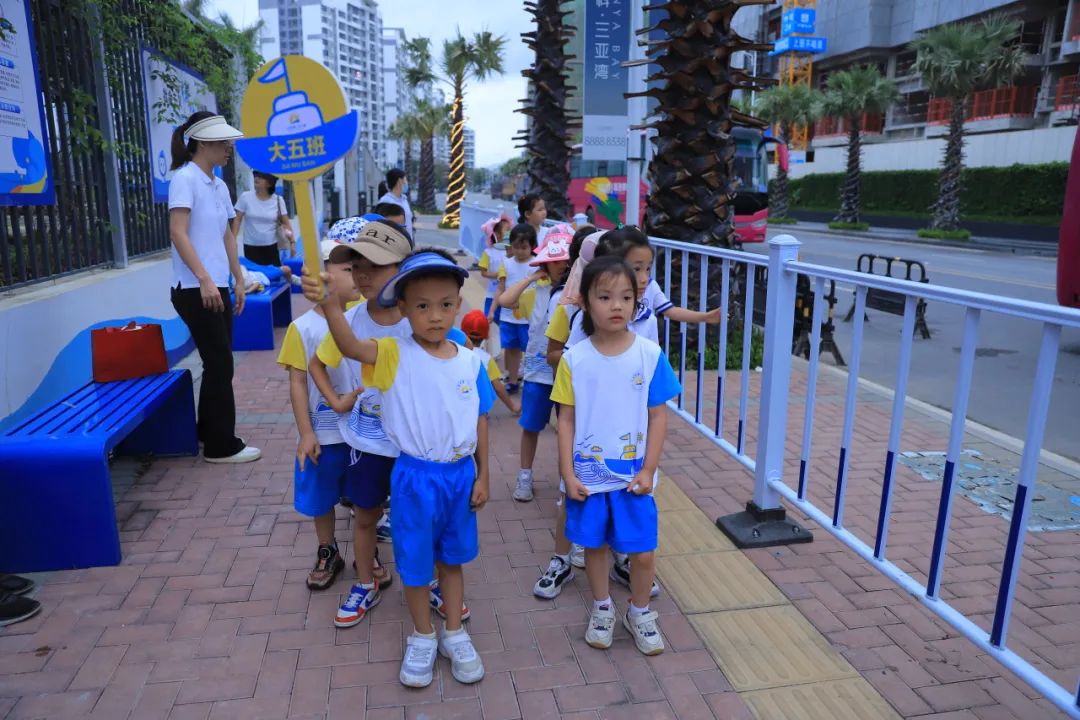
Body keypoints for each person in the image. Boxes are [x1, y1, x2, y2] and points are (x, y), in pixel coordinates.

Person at [304, 248, 493, 689]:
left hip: (459, 475)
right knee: (414, 561)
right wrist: (332, 305)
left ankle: (454, 632)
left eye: (446, 304)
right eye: (422, 306)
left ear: (459, 306)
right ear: (403, 308)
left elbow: (480, 418)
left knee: (452, 558)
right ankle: (423, 636)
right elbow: (350, 346)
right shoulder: (392, 354)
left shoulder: (469, 359)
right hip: (414, 476)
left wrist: (484, 475)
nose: (435, 316)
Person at [550, 255, 681, 656]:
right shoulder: (574, 358)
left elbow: (658, 417)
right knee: (594, 548)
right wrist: (568, 475)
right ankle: (602, 607)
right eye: (605, 296)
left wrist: (649, 468)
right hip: (589, 478)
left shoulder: (649, 355)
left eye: (626, 296)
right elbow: (566, 421)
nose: (617, 305)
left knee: (642, 550)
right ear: (586, 302)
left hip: (634, 480)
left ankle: (639, 612)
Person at [308, 220, 413, 626]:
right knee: (365, 515)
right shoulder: (349, 319)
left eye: (376, 265)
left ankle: (434, 582)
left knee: (417, 518)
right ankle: (365, 580)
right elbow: (318, 362)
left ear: (404, 269)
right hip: (366, 442)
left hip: (412, 446)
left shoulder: (419, 318)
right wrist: (336, 401)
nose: (363, 275)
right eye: (355, 267)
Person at [168, 111, 260, 464]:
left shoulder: (218, 185)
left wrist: (238, 278)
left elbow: (225, 234)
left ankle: (209, 432)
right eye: (224, 142)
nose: (228, 149)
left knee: (219, 363)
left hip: (216, 285)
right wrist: (206, 279)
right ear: (203, 143)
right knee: (220, 362)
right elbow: (178, 232)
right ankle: (222, 446)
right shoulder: (185, 179)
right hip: (194, 288)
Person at [277, 239, 363, 592]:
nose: (358, 275)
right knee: (322, 495)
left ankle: (366, 551)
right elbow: (298, 382)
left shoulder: (364, 315)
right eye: (348, 269)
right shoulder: (303, 328)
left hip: (363, 431)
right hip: (323, 432)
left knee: (364, 492)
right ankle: (328, 550)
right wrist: (305, 433)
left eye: (360, 268)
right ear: (321, 275)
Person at [496, 226, 573, 503]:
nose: (563, 264)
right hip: (538, 373)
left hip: (566, 373)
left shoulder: (576, 294)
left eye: (567, 259)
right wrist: (531, 277)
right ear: (545, 262)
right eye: (556, 259)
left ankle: (567, 482)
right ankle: (524, 475)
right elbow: (505, 300)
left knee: (569, 430)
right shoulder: (534, 293)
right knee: (531, 426)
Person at [495, 223, 538, 394]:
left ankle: (528, 380)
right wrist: (495, 308)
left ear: (532, 246)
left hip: (528, 317)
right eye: (516, 247)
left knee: (529, 350)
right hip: (508, 316)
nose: (520, 251)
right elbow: (501, 287)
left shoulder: (536, 264)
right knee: (511, 349)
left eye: (524, 247)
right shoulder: (506, 263)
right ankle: (512, 380)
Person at [461, 309, 520, 415]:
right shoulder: (486, 359)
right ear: (486, 335)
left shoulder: (454, 350)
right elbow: (498, 387)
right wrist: (513, 407)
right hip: (478, 405)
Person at [233, 171, 294, 265]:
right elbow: (237, 219)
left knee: (274, 275)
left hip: (271, 247)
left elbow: (286, 224)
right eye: (256, 176)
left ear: (269, 183)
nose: (256, 178)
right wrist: (233, 239)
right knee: (255, 276)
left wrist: (292, 242)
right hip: (250, 247)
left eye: (261, 177)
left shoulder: (278, 200)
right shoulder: (245, 197)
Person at [377, 168, 414, 236]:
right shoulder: (386, 201)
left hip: (408, 243)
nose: (406, 183)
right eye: (405, 179)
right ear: (400, 181)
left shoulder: (404, 199)